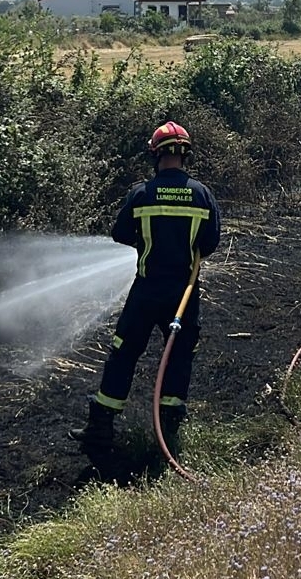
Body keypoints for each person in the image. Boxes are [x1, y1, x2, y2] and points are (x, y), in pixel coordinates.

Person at [71, 121, 222, 452]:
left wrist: (148, 240)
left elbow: (120, 234)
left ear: (154, 155)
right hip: (183, 292)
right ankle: (168, 433)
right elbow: (210, 243)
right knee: (178, 357)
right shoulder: (201, 195)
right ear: (186, 155)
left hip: (145, 291)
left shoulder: (141, 194)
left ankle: (100, 429)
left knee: (123, 355)